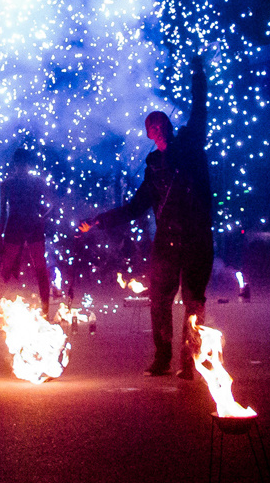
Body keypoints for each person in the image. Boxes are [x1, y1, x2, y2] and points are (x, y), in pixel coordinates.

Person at [85, 54, 212, 376]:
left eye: (161, 123)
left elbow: (200, 107)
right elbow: (136, 206)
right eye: (151, 126)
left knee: (194, 301)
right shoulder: (154, 166)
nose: (158, 127)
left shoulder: (192, 146)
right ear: (149, 135)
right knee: (159, 301)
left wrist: (197, 72)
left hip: (197, 237)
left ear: (169, 126)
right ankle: (162, 357)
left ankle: (189, 360)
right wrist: (100, 219)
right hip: (167, 240)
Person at [0, 146, 52, 310]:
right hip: (16, 226)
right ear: (15, 164)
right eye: (19, 163)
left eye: (23, 163)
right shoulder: (8, 184)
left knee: (40, 269)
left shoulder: (34, 183)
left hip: (28, 226)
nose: (21, 166)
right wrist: (0, 238)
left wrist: (41, 218)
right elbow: (3, 213)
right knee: (6, 270)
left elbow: (50, 205)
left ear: (27, 164)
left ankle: (45, 311)